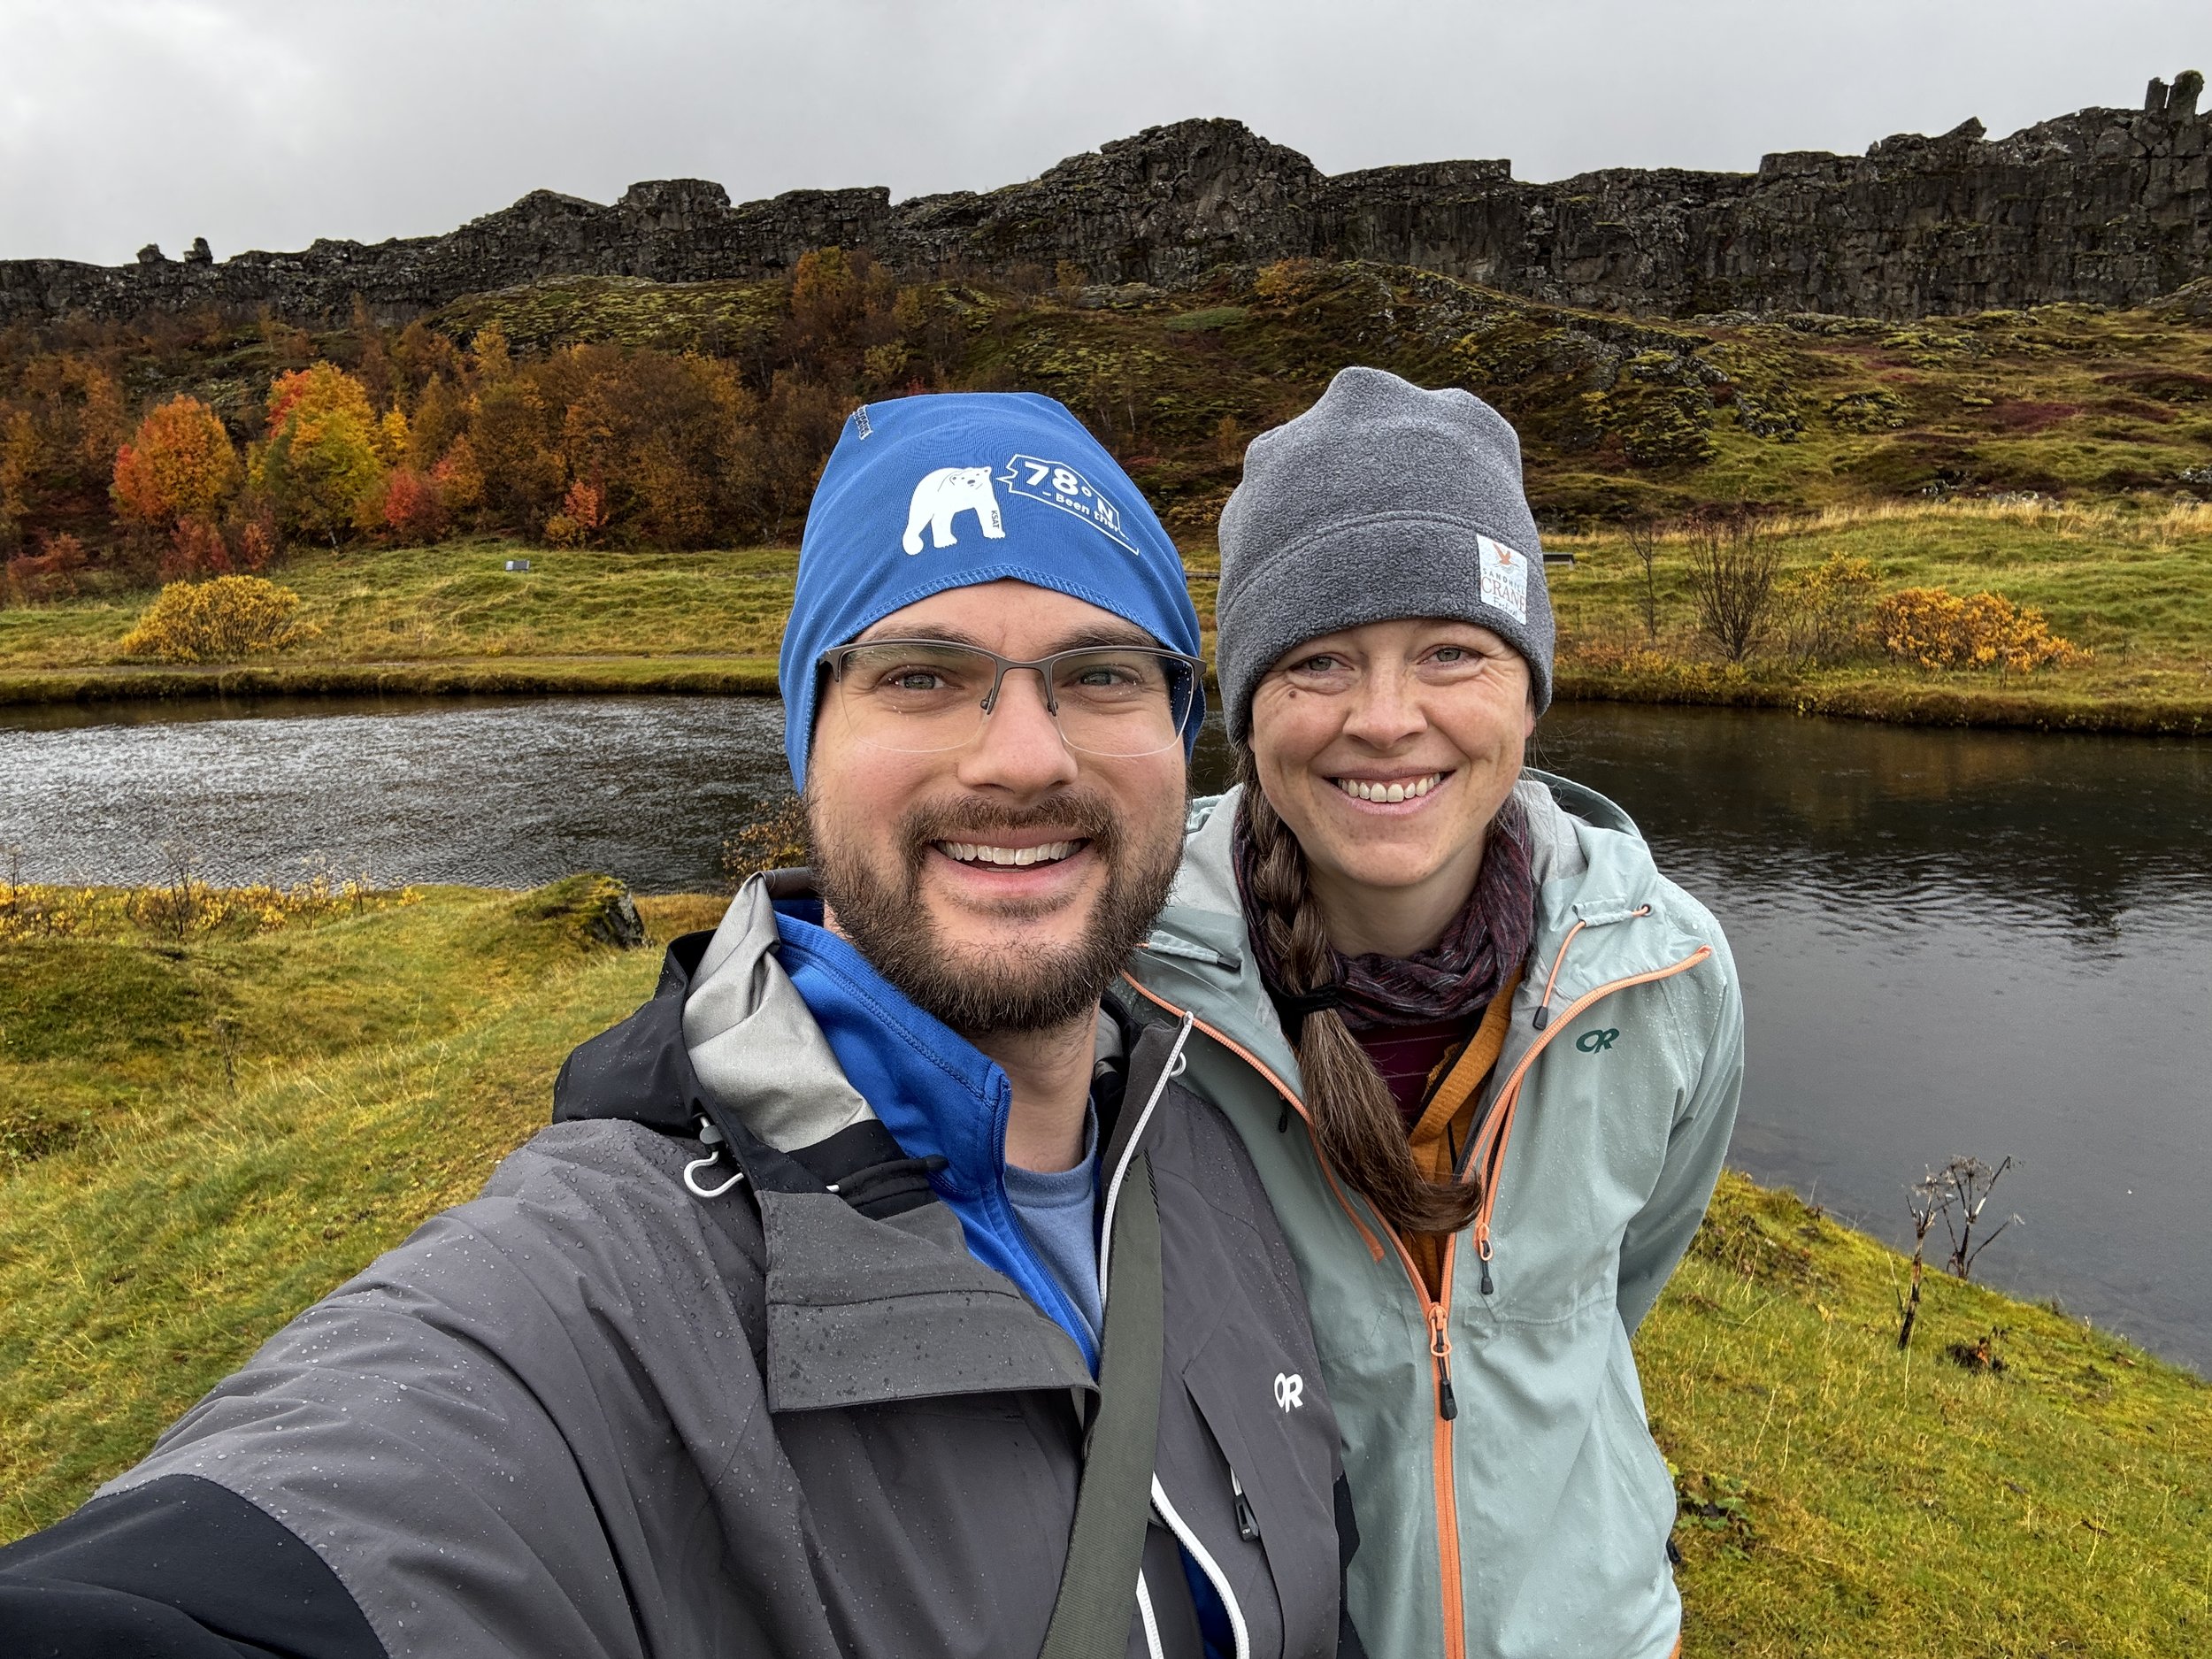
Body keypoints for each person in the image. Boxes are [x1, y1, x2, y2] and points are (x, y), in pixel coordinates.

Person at [0, 393, 1360, 1659]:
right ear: (807, 744)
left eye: (1103, 672)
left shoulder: (1229, 1136)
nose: (1022, 754)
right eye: (922, 674)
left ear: (1185, 732)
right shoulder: (600, 1285)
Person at [1121, 368, 1745, 1659]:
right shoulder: (1123, 988)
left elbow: (1611, 1301)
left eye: (1451, 652)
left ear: (1527, 690)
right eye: (1319, 660)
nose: (1387, 720)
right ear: (1246, 710)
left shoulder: (1665, 973)